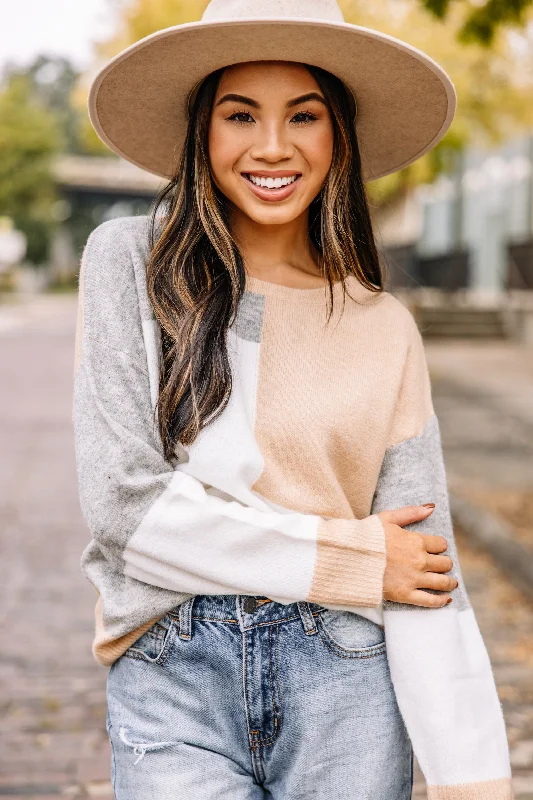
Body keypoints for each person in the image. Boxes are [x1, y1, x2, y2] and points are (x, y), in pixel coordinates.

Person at [73, 1, 513, 798]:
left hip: (346, 677)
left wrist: (471, 781)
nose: (272, 146)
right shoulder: (129, 266)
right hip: (172, 672)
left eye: (303, 115)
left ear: (336, 135)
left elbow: (419, 566)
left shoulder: (383, 327)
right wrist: (349, 557)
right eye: (239, 114)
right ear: (202, 132)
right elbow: (123, 511)